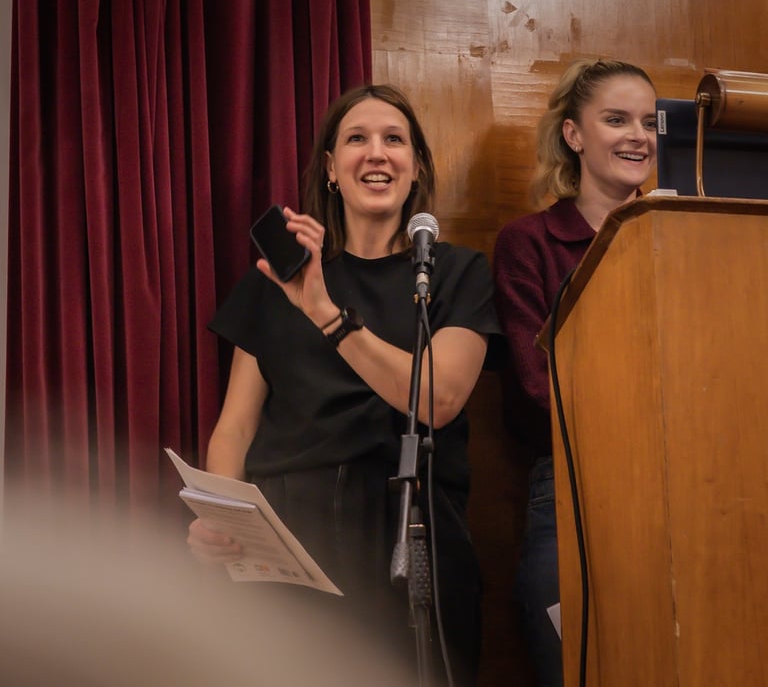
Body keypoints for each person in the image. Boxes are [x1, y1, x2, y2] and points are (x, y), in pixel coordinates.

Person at [187, 83, 503, 686]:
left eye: (394, 139)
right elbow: (236, 427)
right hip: (288, 541)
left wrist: (327, 314)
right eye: (357, 138)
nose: (376, 152)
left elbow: (437, 400)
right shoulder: (278, 279)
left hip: (409, 534)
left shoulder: (457, 272)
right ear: (331, 169)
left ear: (417, 166)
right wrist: (223, 521)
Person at [492, 58, 657, 686]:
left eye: (649, 122)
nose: (638, 136)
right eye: (616, 119)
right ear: (574, 134)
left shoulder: (683, 234)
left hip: (683, 486)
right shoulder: (528, 243)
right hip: (569, 488)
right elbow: (539, 385)